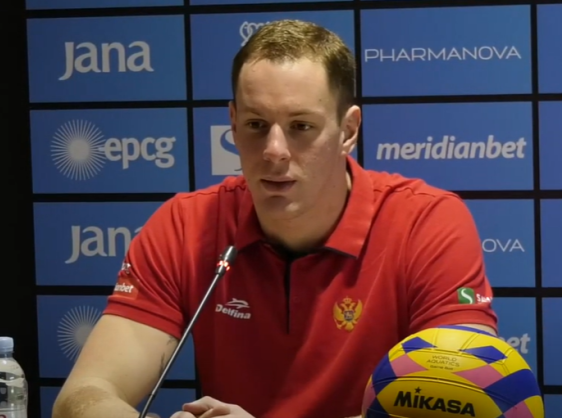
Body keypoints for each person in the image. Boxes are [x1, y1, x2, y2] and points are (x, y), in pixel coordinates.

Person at [52, 19, 498, 418]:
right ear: (232, 122)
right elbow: (84, 394)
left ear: (348, 131)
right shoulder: (185, 224)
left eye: (301, 126)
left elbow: (464, 404)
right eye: (256, 125)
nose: (274, 151)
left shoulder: (427, 222)